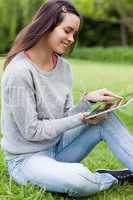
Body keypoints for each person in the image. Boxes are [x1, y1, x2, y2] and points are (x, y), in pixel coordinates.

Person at [1, 0, 133, 197]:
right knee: (79, 178)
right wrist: (80, 118)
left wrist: (87, 102)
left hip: (59, 146)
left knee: (106, 119)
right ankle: (108, 178)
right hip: (26, 160)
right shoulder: (19, 71)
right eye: (67, 31)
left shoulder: (64, 68)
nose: (71, 38)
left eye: (74, 34)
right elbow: (32, 131)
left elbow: (63, 118)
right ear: (46, 26)